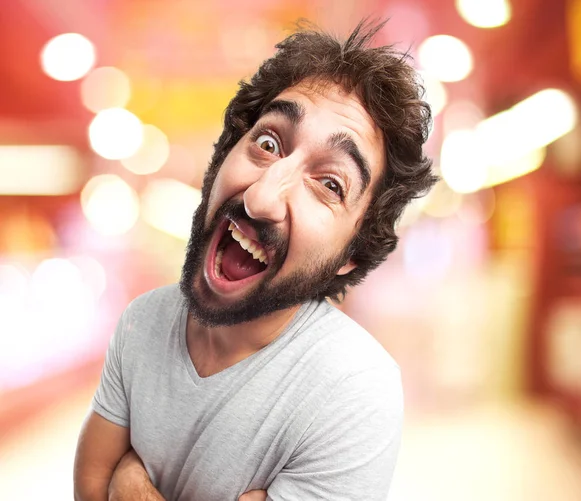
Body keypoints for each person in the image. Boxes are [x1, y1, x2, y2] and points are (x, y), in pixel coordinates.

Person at [74, 19, 436, 501]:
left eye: (330, 184)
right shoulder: (143, 322)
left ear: (353, 253)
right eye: (268, 143)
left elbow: (111, 485)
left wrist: (131, 485)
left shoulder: (354, 390)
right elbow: (90, 484)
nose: (261, 198)